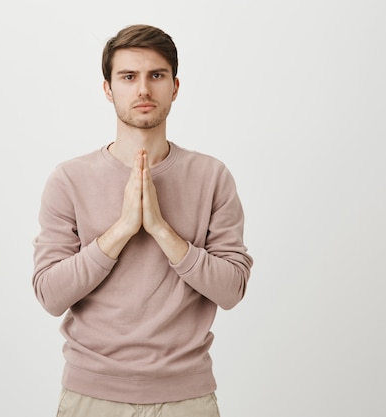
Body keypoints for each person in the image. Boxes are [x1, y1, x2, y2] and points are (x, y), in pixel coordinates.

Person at [32, 24, 253, 417]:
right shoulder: (68, 180)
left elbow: (232, 289)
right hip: (91, 397)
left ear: (175, 86)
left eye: (156, 75)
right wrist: (120, 231)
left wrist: (162, 230)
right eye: (129, 77)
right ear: (108, 89)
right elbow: (50, 294)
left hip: (187, 398)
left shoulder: (212, 176)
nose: (143, 89)